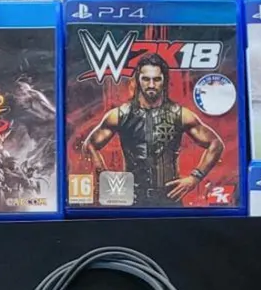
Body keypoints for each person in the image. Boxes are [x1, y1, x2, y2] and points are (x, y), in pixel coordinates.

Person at [81, 53, 224, 206]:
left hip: (169, 198)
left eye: (156, 79)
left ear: (164, 80)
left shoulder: (180, 115)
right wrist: (104, 176)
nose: (151, 85)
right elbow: (89, 145)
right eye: (145, 79)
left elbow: (216, 144)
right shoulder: (120, 115)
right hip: (132, 198)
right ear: (138, 80)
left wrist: (195, 177)